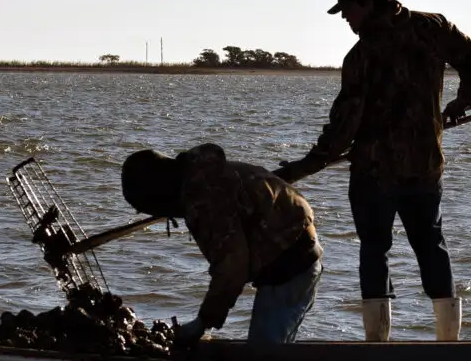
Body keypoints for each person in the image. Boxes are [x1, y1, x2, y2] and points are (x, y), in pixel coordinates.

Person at [275, 0, 471, 342]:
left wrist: (297, 169)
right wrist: (462, 101)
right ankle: (448, 344)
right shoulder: (431, 27)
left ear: (367, 3)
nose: (346, 21)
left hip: (375, 173)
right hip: (425, 165)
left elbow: (341, 131)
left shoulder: (361, 57)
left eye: (348, 12)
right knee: (431, 246)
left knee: (375, 250)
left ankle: (377, 345)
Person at [120, 143, 323, 348]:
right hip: (296, 258)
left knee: (264, 355)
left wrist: (203, 322)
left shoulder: (206, 198)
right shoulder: (206, 173)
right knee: (276, 353)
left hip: (290, 268)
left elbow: (232, 266)